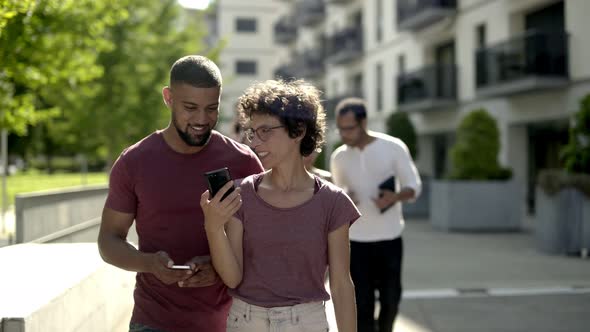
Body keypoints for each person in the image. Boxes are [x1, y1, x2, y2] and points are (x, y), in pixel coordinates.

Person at [97, 55, 264, 332]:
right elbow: (108, 241)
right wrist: (149, 263)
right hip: (153, 322)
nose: (201, 119)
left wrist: (220, 267)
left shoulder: (244, 162)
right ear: (168, 98)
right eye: (190, 107)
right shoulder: (134, 162)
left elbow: (264, 242)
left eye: (212, 108)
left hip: (229, 322)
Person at [200, 79, 360, 332]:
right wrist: (213, 227)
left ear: (298, 130)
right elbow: (233, 277)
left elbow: (341, 284)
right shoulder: (241, 194)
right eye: (252, 132)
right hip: (245, 322)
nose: (254, 142)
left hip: (307, 323)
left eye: (265, 131)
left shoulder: (333, 201)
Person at [330, 98, 422, 332]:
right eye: (340, 129)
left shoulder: (393, 147)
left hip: (389, 238)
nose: (343, 134)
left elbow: (414, 186)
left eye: (348, 128)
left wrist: (395, 197)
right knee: (362, 304)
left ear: (363, 123)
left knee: (391, 300)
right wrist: (346, 196)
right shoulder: (339, 156)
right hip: (355, 242)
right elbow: (338, 194)